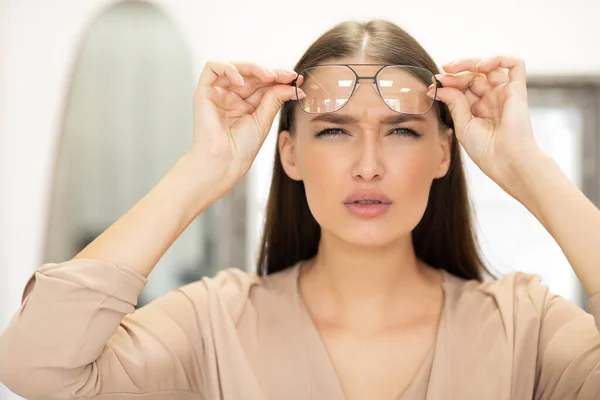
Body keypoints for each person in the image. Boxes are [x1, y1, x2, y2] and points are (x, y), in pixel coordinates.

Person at [1, 19, 600, 400]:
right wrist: (202, 169)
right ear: (289, 154)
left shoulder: (528, 330)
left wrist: (528, 166)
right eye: (336, 132)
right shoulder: (212, 327)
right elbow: (36, 365)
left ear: (446, 152)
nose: (368, 164)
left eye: (402, 132)